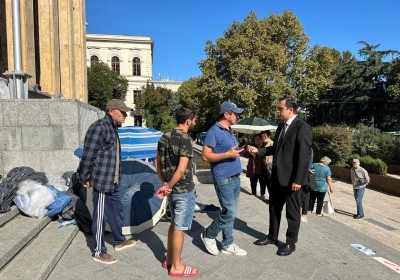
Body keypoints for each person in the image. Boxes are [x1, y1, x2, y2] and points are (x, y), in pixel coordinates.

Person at [248, 97, 312, 256]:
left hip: (292, 181)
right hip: (277, 178)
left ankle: (290, 243)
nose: (277, 111)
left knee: (292, 213)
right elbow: (276, 149)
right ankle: (272, 237)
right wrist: (258, 151)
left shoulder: (302, 127)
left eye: (280, 108)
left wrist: (298, 179)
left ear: (290, 110)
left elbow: (304, 157)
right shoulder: (281, 126)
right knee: (274, 209)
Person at [78, 99, 136, 264]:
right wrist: (85, 177)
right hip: (103, 181)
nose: (125, 115)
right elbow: (88, 155)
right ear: (111, 111)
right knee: (100, 216)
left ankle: (119, 240)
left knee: (116, 210)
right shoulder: (99, 127)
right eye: (122, 111)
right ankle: (98, 251)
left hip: (113, 180)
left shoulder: (112, 128)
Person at [155, 107, 198, 277]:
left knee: (174, 224)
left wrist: (164, 183)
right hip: (183, 189)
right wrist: (170, 186)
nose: (195, 122)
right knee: (180, 227)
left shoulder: (164, 136)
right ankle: (177, 267)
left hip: (171, 189)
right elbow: (181, 170)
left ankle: (170, 259)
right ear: (188, 120)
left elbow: (158, 162)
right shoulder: (185, 139)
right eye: (194, 119)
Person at [201, 101, 247, 256]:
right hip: (224, 178)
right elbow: (205, 155)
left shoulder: (229, 131)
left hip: (235, 177)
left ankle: (228, 243)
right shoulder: (213, 131)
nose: (238, 116)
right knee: (230, 213)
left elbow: (232, 151)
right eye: (236, 113)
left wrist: (245, 151)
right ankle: (208, 234)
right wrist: (227, 154)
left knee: (230, 213)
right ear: (227, 114)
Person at [244, 133, 268, 201]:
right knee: (253, 182)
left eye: (258, 139)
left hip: (262, 168)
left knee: (263, 182)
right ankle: (254, 194)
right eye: (255, 139)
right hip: (253, 169)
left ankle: (262, 195)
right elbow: (245, 155)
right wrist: (248, 152)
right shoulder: (251, 147)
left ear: (262, 140)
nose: (256, 140)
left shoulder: (265, 147)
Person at [261, 130, 273, 200]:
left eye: (265, 136)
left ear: (268, 136)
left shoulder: (272, 143)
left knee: (270, 183)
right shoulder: (263, 144)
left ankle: (272, 199)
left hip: (270, 166)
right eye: (262, 136)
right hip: (265, 166)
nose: (263, 137)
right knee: (266, 182)